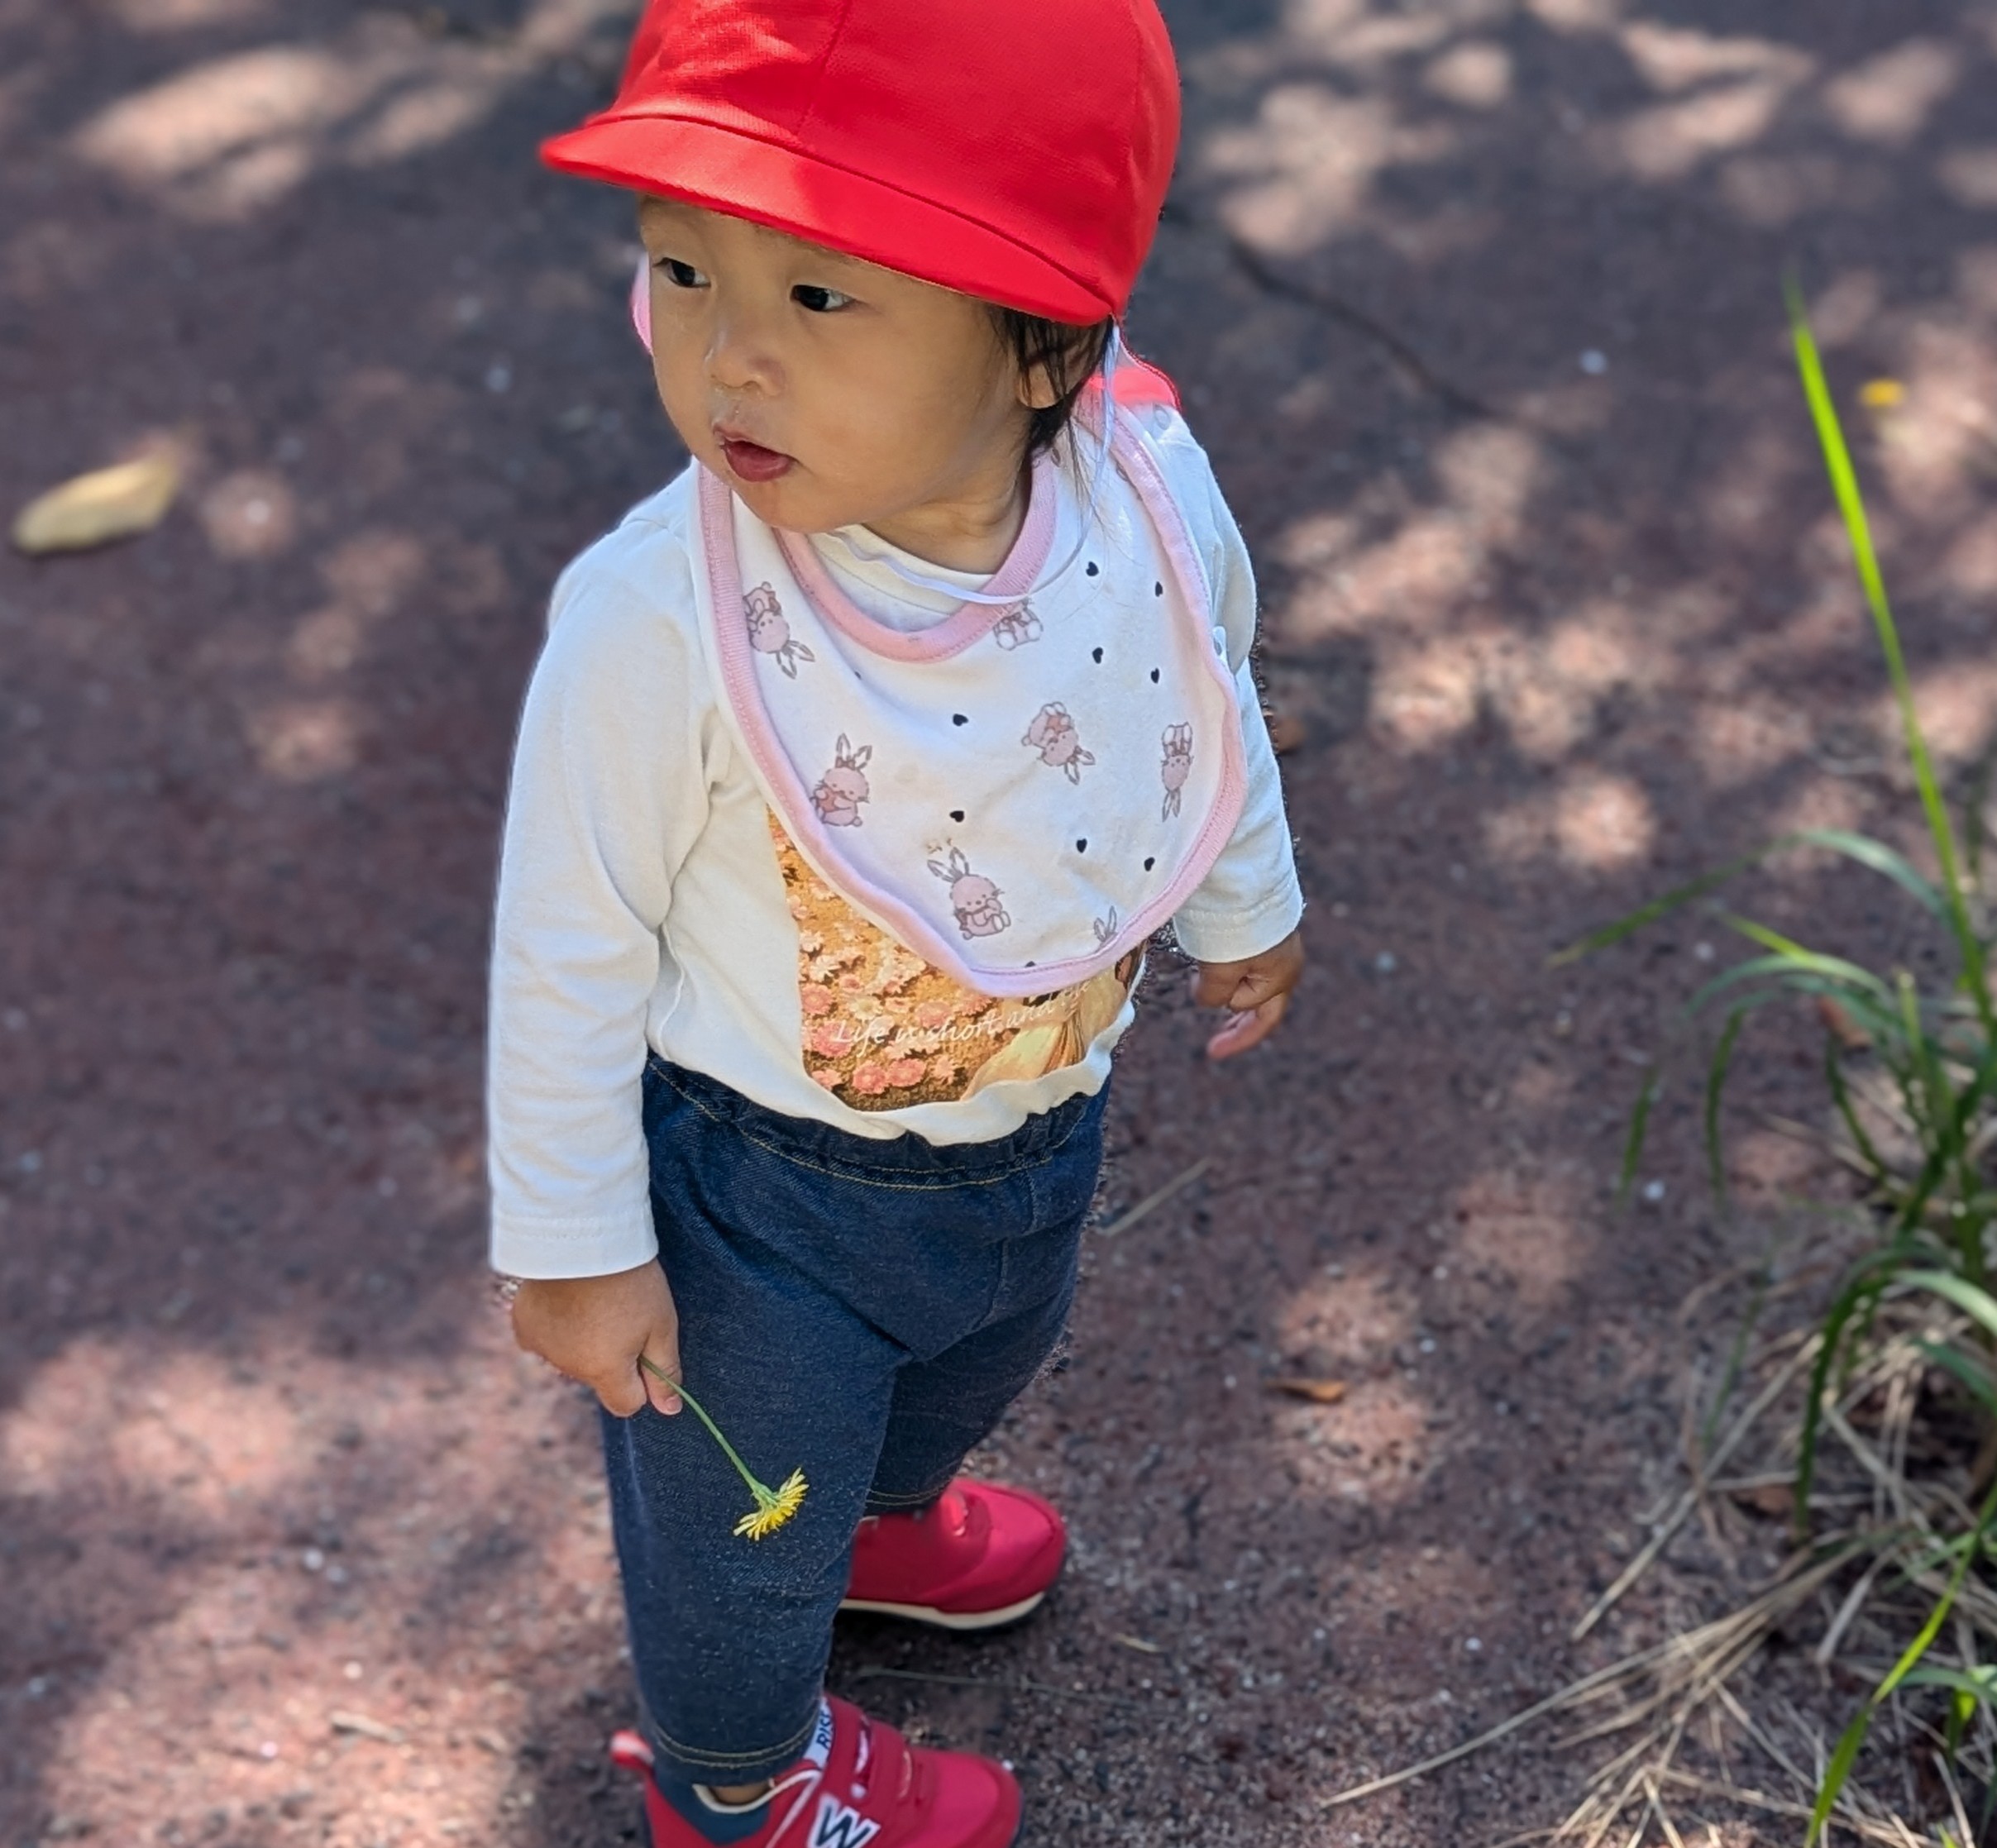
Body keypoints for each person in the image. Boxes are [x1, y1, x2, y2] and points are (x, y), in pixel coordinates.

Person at [490, 0, 1306, 1840]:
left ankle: (864, 1519)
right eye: (683, 272)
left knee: (976, 1362)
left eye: (817, 295)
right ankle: (732, 1780)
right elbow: (568, 938)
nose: (730, 359)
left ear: (1043, 346)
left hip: (1034, 1131)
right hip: (754, 1204)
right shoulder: (663, 616)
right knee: (730, 1536)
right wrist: (572, 1241)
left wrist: (1245, 896)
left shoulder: (1141, 490)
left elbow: (1201, 688)